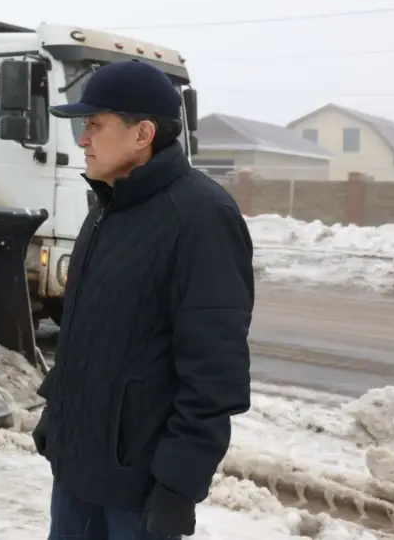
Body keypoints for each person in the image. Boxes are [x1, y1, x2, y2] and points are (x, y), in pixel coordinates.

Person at [32, 60, 254, 539]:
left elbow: (215, 374)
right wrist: (57, 409)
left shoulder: (201, 217)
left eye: (94, 124)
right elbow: (84, 334)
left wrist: (179, 485)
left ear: (142, 134)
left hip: (140, 491)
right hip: (77, 477)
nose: (82, 139)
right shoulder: (105, 211)